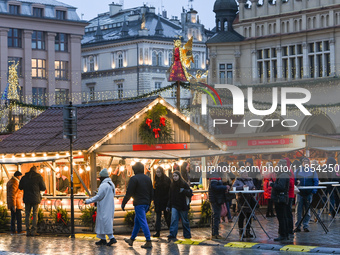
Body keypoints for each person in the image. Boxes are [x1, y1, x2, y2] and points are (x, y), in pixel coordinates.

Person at [122, 162, 153, 249]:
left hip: (139, 203)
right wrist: (149, 203)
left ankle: (148, 241)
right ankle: (131, 239)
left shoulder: (134, 179)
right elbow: (151, 192)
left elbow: (129, 192)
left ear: (135, 169)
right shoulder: (148, 178)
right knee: (138, 222)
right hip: (146, 203)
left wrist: (123, 203)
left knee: (142, 222)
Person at [85, 168, 116, 246]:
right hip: (110, 206)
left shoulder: (103, 185)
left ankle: (112, 238)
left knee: (105, 222)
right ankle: (103, 239)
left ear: (102, 177)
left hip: (103, 207)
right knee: (104, 221)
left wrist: (88, 201)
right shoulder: (111, 184)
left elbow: (99, 196)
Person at [19, 166, 46, 236]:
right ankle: (34, 231)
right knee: (35, 214)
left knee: (27, 214)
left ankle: (28, 231)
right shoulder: (38, 177)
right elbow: (43, 188)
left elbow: (20, 187)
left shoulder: (24, 177)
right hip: (35, 198)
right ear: (36, 170)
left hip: (27, 198)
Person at [294, 157, 319, 232]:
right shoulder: (297, 171)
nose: (305, 163)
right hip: (299, 193)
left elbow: (316, 181)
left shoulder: (312, 171)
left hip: (308, 193)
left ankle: (306, 225)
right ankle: (298, 225)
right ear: (302, 163)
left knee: (307, 210)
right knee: (298, 210)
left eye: (307, 162)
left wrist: (313, 190)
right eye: (304, 162)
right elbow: (294, 180)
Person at [167, 171, 193, 240]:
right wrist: (168, 205)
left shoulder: (184, 184)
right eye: (173, 176)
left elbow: (190, 193)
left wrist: (184, 191)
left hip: (183, 205)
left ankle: (187, 234)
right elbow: (170, 196)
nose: (175, 177)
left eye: (176, 176)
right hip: (175, 205)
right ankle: (172, 234)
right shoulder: (172, 185)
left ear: (179, 176)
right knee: (174, 219)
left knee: (184, 221)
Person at [270, 159, 291, 241]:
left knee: (281, 217)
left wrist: (272, 184)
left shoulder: (283, 175)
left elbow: (281, 187)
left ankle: (283, 234)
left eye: (279, 165)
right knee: (283, 217)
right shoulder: (284, 174)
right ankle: (285, 234)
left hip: (280, 198)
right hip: (283, 198)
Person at [233, 169, 256, 238]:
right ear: (241, 175)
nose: (246, 175)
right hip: (242, 199)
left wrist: (254, 188)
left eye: (246, 174)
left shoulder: (250, 180)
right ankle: (241, 232)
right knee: (241, 216)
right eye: (244, 174)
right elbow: (234, 188)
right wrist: (242, 187)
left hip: (249, 199)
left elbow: (253, 186)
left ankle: (248, 231)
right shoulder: (237, 181)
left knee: (249, 216)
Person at [153, 166, 171, 237]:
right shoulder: (156, 180)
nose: (158, 173)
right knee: (158, 217)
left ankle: (171, 231)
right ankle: (158, 231)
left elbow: (169, 191)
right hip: (158, 201)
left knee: (167, 217)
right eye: (157, 172)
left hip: (165, 200)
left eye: (159, 172)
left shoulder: (167, 180)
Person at [208, 171, 227, 239]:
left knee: (215, 216)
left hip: (215, 199)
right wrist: (224, 187)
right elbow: (215, 187)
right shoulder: (215, 178)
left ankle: (214, 233)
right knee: (216, 216)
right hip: (215, 200)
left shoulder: (216, 177)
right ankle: (215, 234)